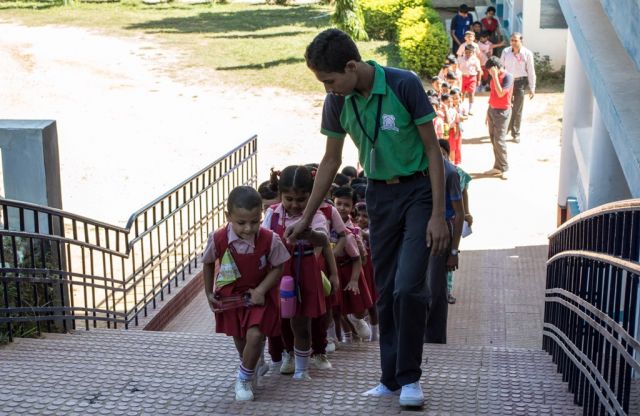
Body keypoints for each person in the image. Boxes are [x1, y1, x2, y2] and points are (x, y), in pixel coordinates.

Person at [291, 29, 449, 408]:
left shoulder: (403, 84)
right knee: (386, 289)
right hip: (378, 195)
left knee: (408, 288)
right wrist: (307, 217)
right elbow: (331, 160)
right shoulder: (336, 102)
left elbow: (433, 150)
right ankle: (389, 379)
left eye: (330, 80)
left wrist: (439, 214)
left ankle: (411, 379)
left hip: (418, 192)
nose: (328, 89)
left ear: (351, 66)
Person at [202, 186, 291, 401]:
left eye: (255, 222)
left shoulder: (270, 239)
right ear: (228, 217)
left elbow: (279, 266)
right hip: (231, 297)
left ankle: (243, 378)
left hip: (258, 296)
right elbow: (208, 262)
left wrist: (261, 290)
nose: (248, 228)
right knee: (241, 338)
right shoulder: (218, 238)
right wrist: (208, 292)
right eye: (241, 223)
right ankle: (253, 363)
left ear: (261, 216)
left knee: (256, 334)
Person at [263, 165, 339, 381]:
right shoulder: (272, 214)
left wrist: (308, 233)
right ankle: (287, 353)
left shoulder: (315, 216)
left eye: (301, 199)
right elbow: (263, 239)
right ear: (280, 194)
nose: (295, 205)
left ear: (311, 196)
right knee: (281, 319)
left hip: (305, 271)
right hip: (279, 272)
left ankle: (302, 369)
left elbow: (323, 239)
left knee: (301, 322)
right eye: (289, 199)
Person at [424, 140, 464, 344]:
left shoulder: (450, 173)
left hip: (441, 232)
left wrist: (454, 251)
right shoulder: (418, 169)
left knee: (436, 289)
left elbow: (459, 213)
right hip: (420, 228)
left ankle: (434, 339)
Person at [332, 186, 374, 341]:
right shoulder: (327, 223)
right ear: (333, 202)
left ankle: (356, 319)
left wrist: (355, 279)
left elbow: (360, 258)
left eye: (346, 205)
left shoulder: (353, 230)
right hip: (334, 269)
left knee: (359, 307)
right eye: (339, 203)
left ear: (352, 207)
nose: (342, 208)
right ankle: (337, 338)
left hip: (351, 270)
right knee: (335, 309)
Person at [500, 32, 536, 143]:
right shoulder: (506, 52)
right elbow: (501, 67)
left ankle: (516, 133)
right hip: (507, 81)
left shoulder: (527, 53)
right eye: (512, 40)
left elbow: (531, 71)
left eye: (516, 41)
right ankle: (505, 130)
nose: (513, 43)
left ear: (521, 41)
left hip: (520, 82)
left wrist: (532, 87)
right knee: (506, 107)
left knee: (517, 108)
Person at [484, 56, 514, 180]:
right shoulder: (493, 78)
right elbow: (492, 94)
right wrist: (488, 112)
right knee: (493, 139)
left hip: (503, 112)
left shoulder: (508, 77)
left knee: (499, 141)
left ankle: (505, 168)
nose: (489, 73)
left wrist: (495, 76)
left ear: (495, 67)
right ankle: (497, 167)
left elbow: (501, 93)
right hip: (492, 110)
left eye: (490, 70)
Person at [458, 44, 483, 115]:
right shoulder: (460, 59)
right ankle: (462, 108)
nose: (468, 54)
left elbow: (479, 70)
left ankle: (470, 109)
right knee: (461, 93)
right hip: (462, 78)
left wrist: (479, 80)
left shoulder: (476, 60)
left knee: (471, 93)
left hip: (472, 78)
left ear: (473, 52)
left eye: (470, 52)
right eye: (466, 52)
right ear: (464, 52)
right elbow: (457, 68)